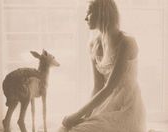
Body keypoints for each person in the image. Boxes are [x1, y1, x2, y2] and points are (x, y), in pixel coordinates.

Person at [58, 0, 146, 132]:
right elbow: (97, 86)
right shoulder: (94, 44)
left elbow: (109, 87)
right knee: (66, 128)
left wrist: (75, 115)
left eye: (89, 12)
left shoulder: (127, 42)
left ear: (102, 13)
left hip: (126, 107)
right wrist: (85, 116)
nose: (85, 18)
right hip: (105, 104)